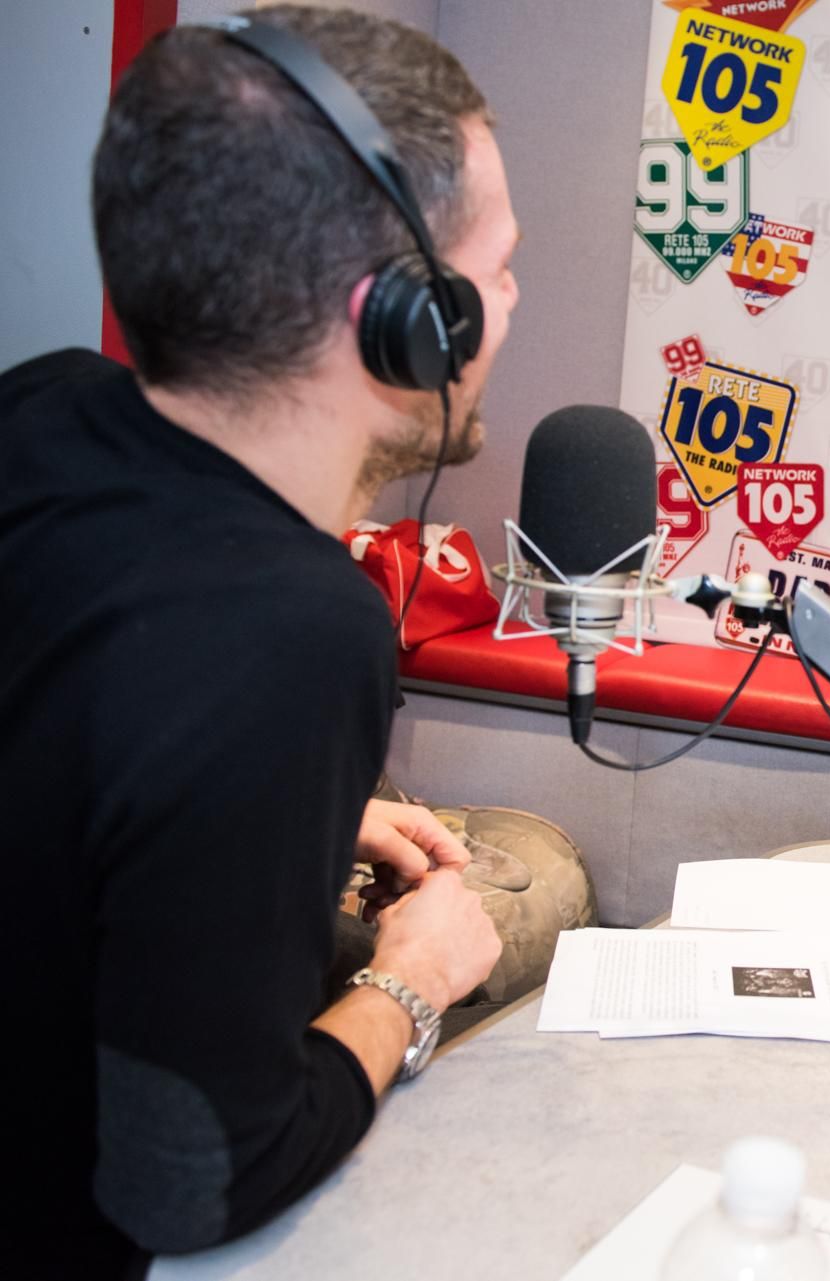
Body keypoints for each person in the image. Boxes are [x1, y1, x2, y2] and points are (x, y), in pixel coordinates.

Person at [3, 8, 519, 1274]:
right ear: (403, 321)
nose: (510, 304)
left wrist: (271, 808)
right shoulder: (293, 627)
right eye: (496, 273)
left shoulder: (43, 405)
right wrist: (412, 981)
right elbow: (192, 1183)